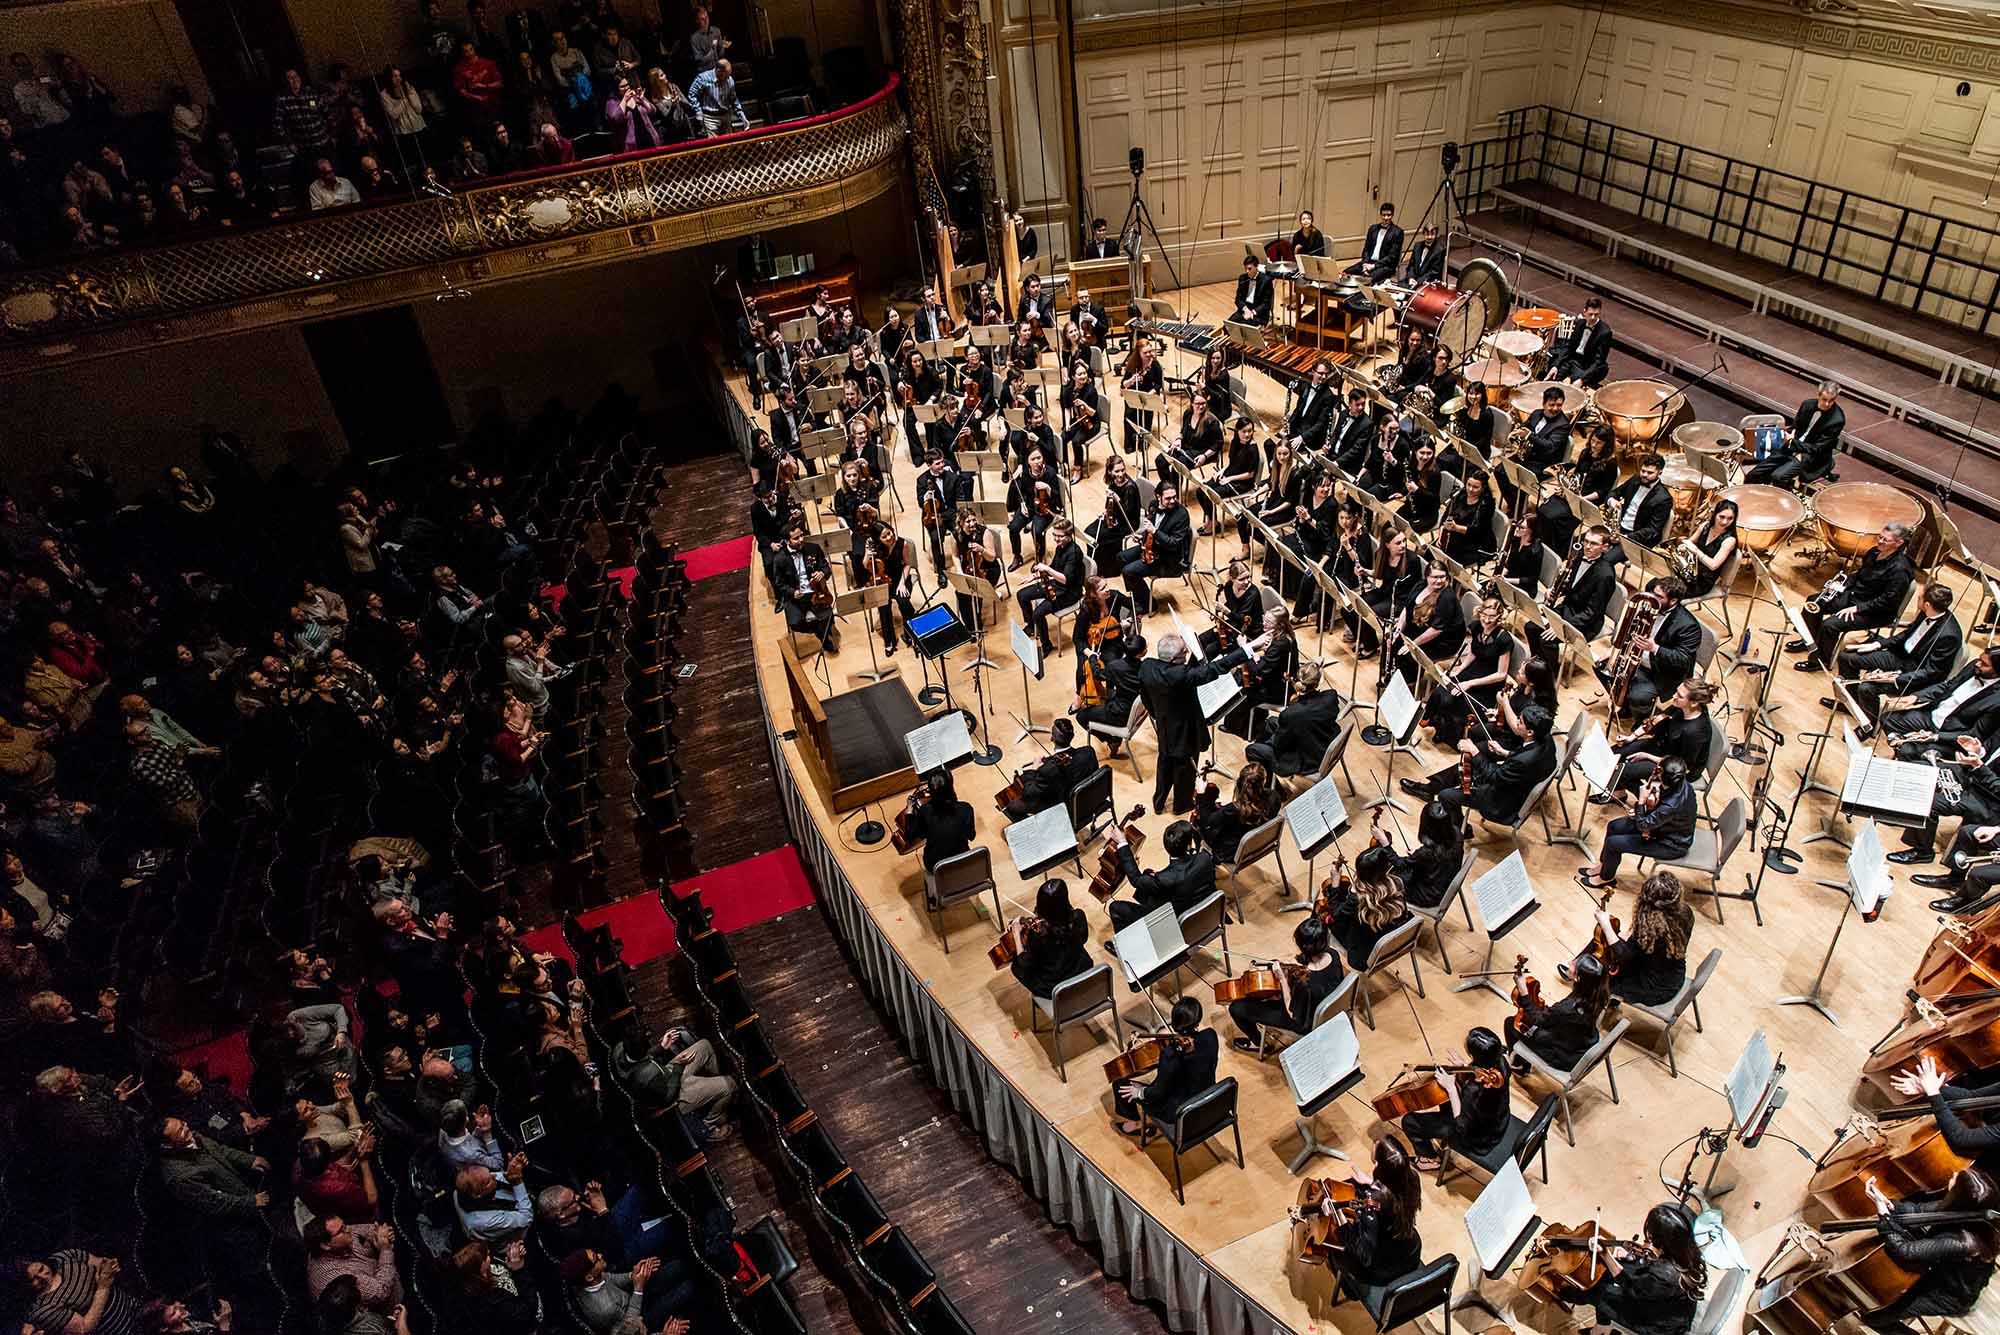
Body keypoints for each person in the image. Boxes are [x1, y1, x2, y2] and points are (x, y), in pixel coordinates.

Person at [1137, 629, 1265, 813]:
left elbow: (1145, 697)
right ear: (1174, 659)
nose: (1187, 653)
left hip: (1165, 726)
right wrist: (1248, 648)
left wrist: (1158, 715)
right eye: (1184, 652)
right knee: (1185, 770)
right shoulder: (1182, 675)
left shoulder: (1147, 666)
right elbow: (1217, 668)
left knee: (1164, 764)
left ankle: (1159, 802)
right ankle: (1182, 806)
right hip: (1185, 731)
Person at [1406, 699, 1559, 825]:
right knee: (1464, 767)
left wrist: (1475, 752)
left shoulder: (1522, 761)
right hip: (1515, 783)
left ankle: (1458, 830)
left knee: (1446, 796)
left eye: (1520, 722)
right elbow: (1526, 761)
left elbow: (1495, 777)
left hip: (1501, 802)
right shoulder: (1546, 739)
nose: (1516, 722)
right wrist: (1505, 753)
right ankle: (1430, 788)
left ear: (1530, 732)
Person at [1792, 521, 1918, 672]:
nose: (1880, 541)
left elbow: (1889, 601)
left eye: (1885, 539)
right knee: (1813, 602)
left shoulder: (1900, 570)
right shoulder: (1874, 552)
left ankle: (1820, 661)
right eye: (1880, 537)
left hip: (1875, 611)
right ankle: (1810, 642)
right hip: (1855, 596)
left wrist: (1858, 608)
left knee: (1830, 625)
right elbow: (1860, 574)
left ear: (1898, 543)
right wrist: (1842, 585)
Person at [1835, 582, 1963, 724]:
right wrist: (1877, 644)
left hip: (1915, 674)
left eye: (1919, 597)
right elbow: (1906, 634)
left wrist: (1895, 678)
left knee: (1867, 687)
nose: (1917, 600)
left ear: (1927, 604)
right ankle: (1852, 703)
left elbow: (1931, 672)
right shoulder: (1927, 612)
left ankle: (1868, 724)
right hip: (1901, 656)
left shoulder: (1949, 636)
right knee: (1846, 657)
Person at [1575, 1202, 1711, 1335]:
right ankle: (1602, 1328)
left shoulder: (1664, 1275)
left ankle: (1600, 1331)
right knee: (1608, 1275)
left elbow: (1631, 1288)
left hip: (1660, 1325)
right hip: (1673, 1305)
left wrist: (1605, 1255)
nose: (1648, 1241)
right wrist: (1628, 1255)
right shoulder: (1686, 1251)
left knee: (1595, 1290)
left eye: (1651, 1237)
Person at [1228, 915, 1345, 1054]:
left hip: (1304, 1022)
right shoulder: (1334, 954)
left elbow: (1291, 1013)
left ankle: (1258, 1043)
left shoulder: (1304, 983)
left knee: (1236, 1008)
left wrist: (1283, 980)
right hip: (1331, 1009)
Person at [1400, 1027, 1512, 1169]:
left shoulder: (1474, 1090)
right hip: (1497, 1123)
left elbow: (1461, 1125)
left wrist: (1451, 1088)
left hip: (1478, 1139)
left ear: (1473, 1055)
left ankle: (1431, 1159)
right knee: (1443, 1094)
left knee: (1409, 1122)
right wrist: (1465, 1067)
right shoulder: (1500, 1063)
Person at [1579, 757, 1695, 888]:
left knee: (1613, 843)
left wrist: (1641, 801)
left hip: (1670, 843)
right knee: (1614, 826)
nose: (1655, 772)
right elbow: (1659, 814)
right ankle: (1604, 865)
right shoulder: (1681, 784)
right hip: (1661, 827)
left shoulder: (1672, 805)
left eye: (1658, 771)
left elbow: (1643, 825)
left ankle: (1606, 878)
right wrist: (1643, 810)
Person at [1597, 681, 1717, 805]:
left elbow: (1683, 765)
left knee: (1621, 770)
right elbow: (1653, 721)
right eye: (1676, 691)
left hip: (1676, 768)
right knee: (1613, 754)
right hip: (1664, 746)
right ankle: (1619, 791)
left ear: (1694, 703)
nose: (1674, 696)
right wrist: (1632, 737)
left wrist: (1647, 756)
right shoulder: (1680, 706)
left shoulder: (1696, 733)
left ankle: (1652, 803)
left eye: (1680, 696)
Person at [1113, 995, 1217, 1137]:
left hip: (1177, 1111)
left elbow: (1158, 1092)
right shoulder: (1211, 1036)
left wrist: (1140, 1092)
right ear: (1198, 1020)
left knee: (1119, 1084)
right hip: (1208, 1099)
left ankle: (1140, 1123)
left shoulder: (1170, 1054)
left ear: (1174, 1024)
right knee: (1167, 1081)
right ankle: (1144, 1121)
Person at [1605, 576, 1702, 719]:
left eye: (1659, 597)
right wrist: (1614, 651)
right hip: (1635, 659)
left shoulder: (1689, 626)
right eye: (1654, 593)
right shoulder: (1649, 606)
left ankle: (1641, 720)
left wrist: (1655, 648)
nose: (1653, 598)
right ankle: (1624, 706)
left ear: (1673, 601)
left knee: (1638, 696)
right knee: (1604, 669)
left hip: (1660, 672)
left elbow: (1683, 659)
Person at [1422, 596, 1510, 746]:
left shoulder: (1504, 639)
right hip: (1473, 670)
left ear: (1499, 617)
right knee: (1440, 691)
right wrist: (1460, 669)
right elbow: (1474, 652)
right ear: (1480, 612)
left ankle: (1451, 736)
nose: (1487, 620)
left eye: (1492, 617)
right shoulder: (1476, 627)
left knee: (1452, 700)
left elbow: (1501, 674)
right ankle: (1439, 727)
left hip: (1488, 682)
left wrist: (1469, 684)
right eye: (1484, 615)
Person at [1506, 950, 1611, 1072]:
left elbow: (1539, 1020)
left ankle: (1519, 1066)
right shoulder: (1598, 994)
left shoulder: (1568, 1009)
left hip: (1562, 1056)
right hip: (1582, 1043)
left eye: (1573, 965)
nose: (1569, 962)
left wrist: (1524, 992)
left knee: (1510, 1024)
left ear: (1578, 978)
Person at [1104, 818, 1215, 930]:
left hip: (1174, 926)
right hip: (1205, 918)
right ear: (1188, 845)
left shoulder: (1165, 879)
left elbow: (1136, 879)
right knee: (1148, 875)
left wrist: (1122, 842)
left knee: (1116, 907)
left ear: (1167, 848)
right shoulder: (1205, 858)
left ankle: (1130, 943)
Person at [1244, 659, 1343, 778]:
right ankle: (1264, 752)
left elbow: (1280, 744)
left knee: (1252, 750)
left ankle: (1269, 786)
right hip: (1323, 743)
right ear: (1316, 684)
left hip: (1308, 762)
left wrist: (1273, 741)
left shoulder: (1291, 713)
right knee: (1271, 722)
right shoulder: (1331, 696)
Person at [1324, 846, 1413, 968]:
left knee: (1327, 918)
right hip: (1396, 942)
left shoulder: (1356, 899)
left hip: (1364, 957)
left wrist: (1335, 883)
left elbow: (1335, 914)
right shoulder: (1397, 883)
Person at [1002, 878, 1093, 999]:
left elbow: (1024, 964)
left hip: (1057, 989)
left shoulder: (1038, 937)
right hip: (1083, 973)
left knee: (1016, 967)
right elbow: (1083, 939)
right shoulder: (1078, 916)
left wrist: (1017, 935)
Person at [1747, 381, 1846, 489]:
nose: (1827, 404)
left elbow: (1818, 448)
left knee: (1778, 477)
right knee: (1755, 474)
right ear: (1818, 395)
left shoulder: (1837, 420)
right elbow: (1796, 426)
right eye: (1824, 399)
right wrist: (1790, 435)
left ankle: (1788, 500)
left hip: (1813, 456)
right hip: (1793, 445)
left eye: (1831, 401)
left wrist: (1797, 448)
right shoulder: (1807, 405)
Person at [1123, 480, 1194, 618]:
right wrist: (1142, 537)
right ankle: (1139, 596)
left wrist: (1154, 532)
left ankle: (1150, 605)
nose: (1173, 500)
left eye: (1174, 497)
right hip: (1152, 548)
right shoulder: (1153, 506)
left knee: (1128, 571)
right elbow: (1149, 530)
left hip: (1168, 559)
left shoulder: (1181, 514)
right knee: (1121, 557)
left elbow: (1174, 544)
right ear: (1158, 496)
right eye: (1168, 498)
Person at [1002, 718, 1096, 822]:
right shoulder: (1089, 752)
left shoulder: (1048, 770)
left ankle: (1039, 830)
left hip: (1062, 806)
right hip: (1087, 803)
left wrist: (1035, 767)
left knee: (1010, 804)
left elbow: (1029, 792)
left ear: (1052, 738)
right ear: (1072, 737)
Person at [1196, 758, 1279, 858]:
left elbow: (1207, 822)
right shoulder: (1274, 797)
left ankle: (1201, 861)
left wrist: (1201, 794)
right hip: (1260, 844)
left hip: (1230, 852)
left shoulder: (1235, 809)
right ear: (1264, 781)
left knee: (1198, 821)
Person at [773, 520, 836, 648]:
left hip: (816, 592)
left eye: (802, 535)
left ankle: (824, 636)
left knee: (827, 616)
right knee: (795, 623)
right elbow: (779, 584)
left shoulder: (813, 548)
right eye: (796, 538)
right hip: (797, 597)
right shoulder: (779, 559)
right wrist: (792, 592)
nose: (801, 539)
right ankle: (818, 631)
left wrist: (822, 573)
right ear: (787, 542)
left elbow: (826, 568)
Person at [1395, 801, 1468, 909]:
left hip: (1426, 895)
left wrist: (1386, 844)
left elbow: (1400, 864)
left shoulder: (1427, 852)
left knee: (1389, 879)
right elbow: (1435, 861)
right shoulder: (1457, 834)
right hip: (1441, 884)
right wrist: (1416, 858)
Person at [900, 767, 975, 869]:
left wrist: (909, 810)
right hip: (963, 861)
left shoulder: (925, 811)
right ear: (951, 787)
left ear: (931, 791)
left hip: (936, 866)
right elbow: (971, 836)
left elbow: (910, 837)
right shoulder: (966, 808)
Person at [1608, 453, 1673, 550]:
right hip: (1619, 528)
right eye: (1643, 471)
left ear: (1659, 473)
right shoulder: (1635, 479)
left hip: (1636, 538)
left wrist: (1626, 538)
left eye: (1650, 473)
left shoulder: (1664, 498)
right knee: (1587, 541)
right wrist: (1612, 500)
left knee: (1606, 559)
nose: (1644, 475)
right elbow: (1615, 492)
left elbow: (1652, 530)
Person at [1548, 297, 1613, 387]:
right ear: (1584, 312)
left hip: (1588, 366)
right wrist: (1556, 365)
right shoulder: (1579, 323)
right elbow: (1569, 347)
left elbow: (1599, 361)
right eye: (1590, 314)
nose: (1593, 317)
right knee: (1552, 376)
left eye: (1596, 314)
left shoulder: (1605, 332)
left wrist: (1582, 380)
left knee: (1571, 388)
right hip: (1573, 360)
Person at [1347, 201, 1404, 280]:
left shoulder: (1398, 232)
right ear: (1380, 215)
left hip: (1385, 266)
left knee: (1366, 280)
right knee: (1345, 274)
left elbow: (1392, 257)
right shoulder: (1373, 228)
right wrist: (1365, 264)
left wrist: (1374, 266)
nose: (1386, 218)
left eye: (1389, 215)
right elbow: (1366, 249)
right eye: (1384, 215)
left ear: (1392, 215)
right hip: (1368, 262)